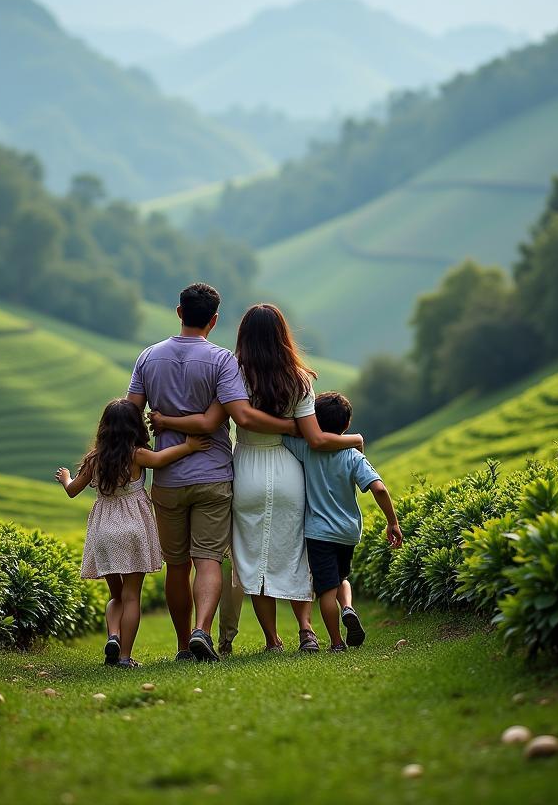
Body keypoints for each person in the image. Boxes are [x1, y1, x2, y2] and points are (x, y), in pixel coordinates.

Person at [150, 303, 365, 653]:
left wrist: (165, 421)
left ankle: (271, 640)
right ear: (283, 335)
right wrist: (352, 439)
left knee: (254, 561)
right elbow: (314, 438)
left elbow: (223, 420)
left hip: (247, 468)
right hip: (287, 472)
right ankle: (306, 631)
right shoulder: (300, 378)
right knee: (296, 554)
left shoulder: (235, 372)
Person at [127, 283, 296, 662]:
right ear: (214, 320)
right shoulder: (223, 362)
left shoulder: (148, 358)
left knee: (176, 565)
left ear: (178, 312)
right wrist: (289, 427)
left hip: (167, 478)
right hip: (214, 474)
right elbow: (237, 415)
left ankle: (184, 643)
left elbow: (129, 414)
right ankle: (204, 628)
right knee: (208, 560)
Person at [54, 397, 211, 668]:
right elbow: (162, 459)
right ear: (135, 426)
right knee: (131, 596)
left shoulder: (94, 459)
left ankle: (113, 635)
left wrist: (66, 476)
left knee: (116, 597)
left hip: (104, 532)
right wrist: (189, 446)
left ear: (104, 427)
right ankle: (125, 657)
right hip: (133, 530)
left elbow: (72, 490)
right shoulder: (137, 454)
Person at [283, 391, 403, 651]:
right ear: (346, 425)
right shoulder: (353, 455)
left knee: (326, 589)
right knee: (341, 578)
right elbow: (379, 489)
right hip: (347, 531)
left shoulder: (306, 448)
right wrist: (392, 522)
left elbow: (283, 438)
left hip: (318, 532)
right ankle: (347, 607)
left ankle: (337, 642)